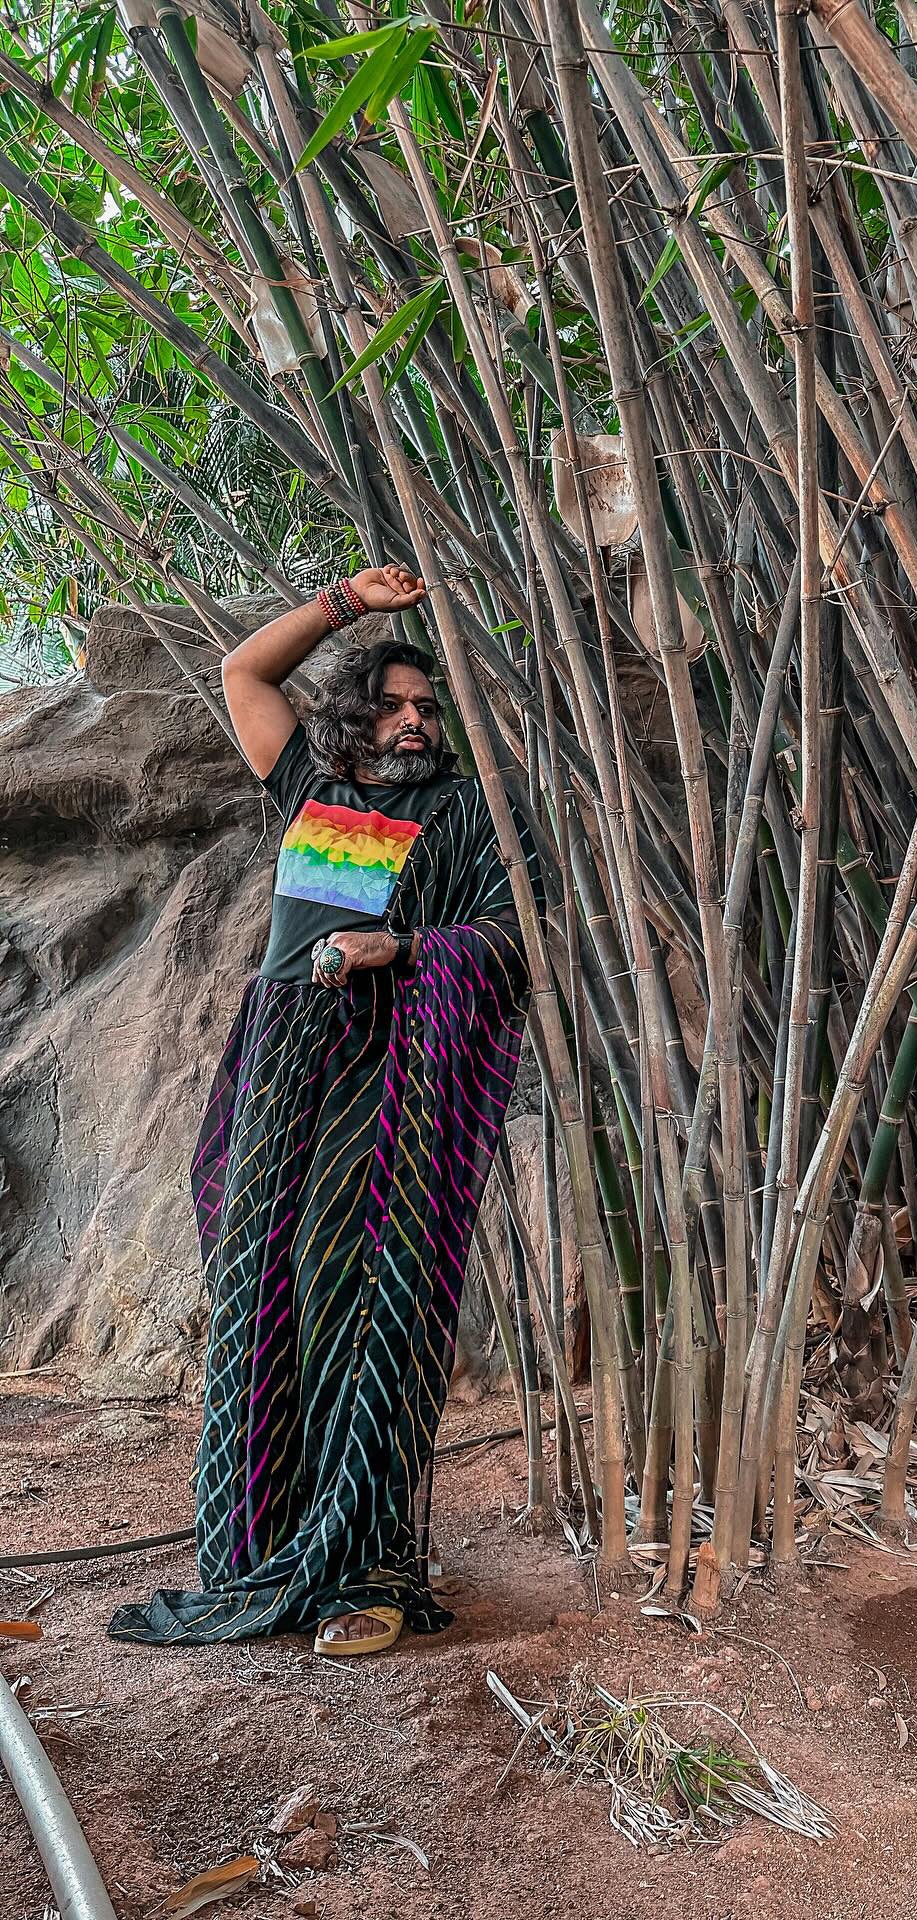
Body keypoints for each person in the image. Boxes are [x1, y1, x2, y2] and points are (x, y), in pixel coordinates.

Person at [110, 566, 538, 1657]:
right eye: (392, 704)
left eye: (426, 708)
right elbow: (243, 669)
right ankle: (257, 1553)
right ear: (354, 714)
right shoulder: (311, 787)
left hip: (392, 1072)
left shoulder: (465, 814)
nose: (411, 721)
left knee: (364, 1295)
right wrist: (349, 599)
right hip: (283, 1063)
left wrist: (398, 950)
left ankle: (366, 1571)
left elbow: (509, 935)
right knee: (263, 1286)